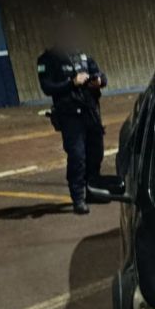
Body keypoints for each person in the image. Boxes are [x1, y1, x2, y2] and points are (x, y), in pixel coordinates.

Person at [37, 16, 108, 215]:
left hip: (90, 112)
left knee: (96, 153)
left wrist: (99, 81)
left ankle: (92, 190)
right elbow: (47, 87)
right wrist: (72, 83)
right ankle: (78, 198)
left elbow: (101, 75)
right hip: (70, 115)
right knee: (77, 156)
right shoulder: (47, 60)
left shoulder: (82, 56)